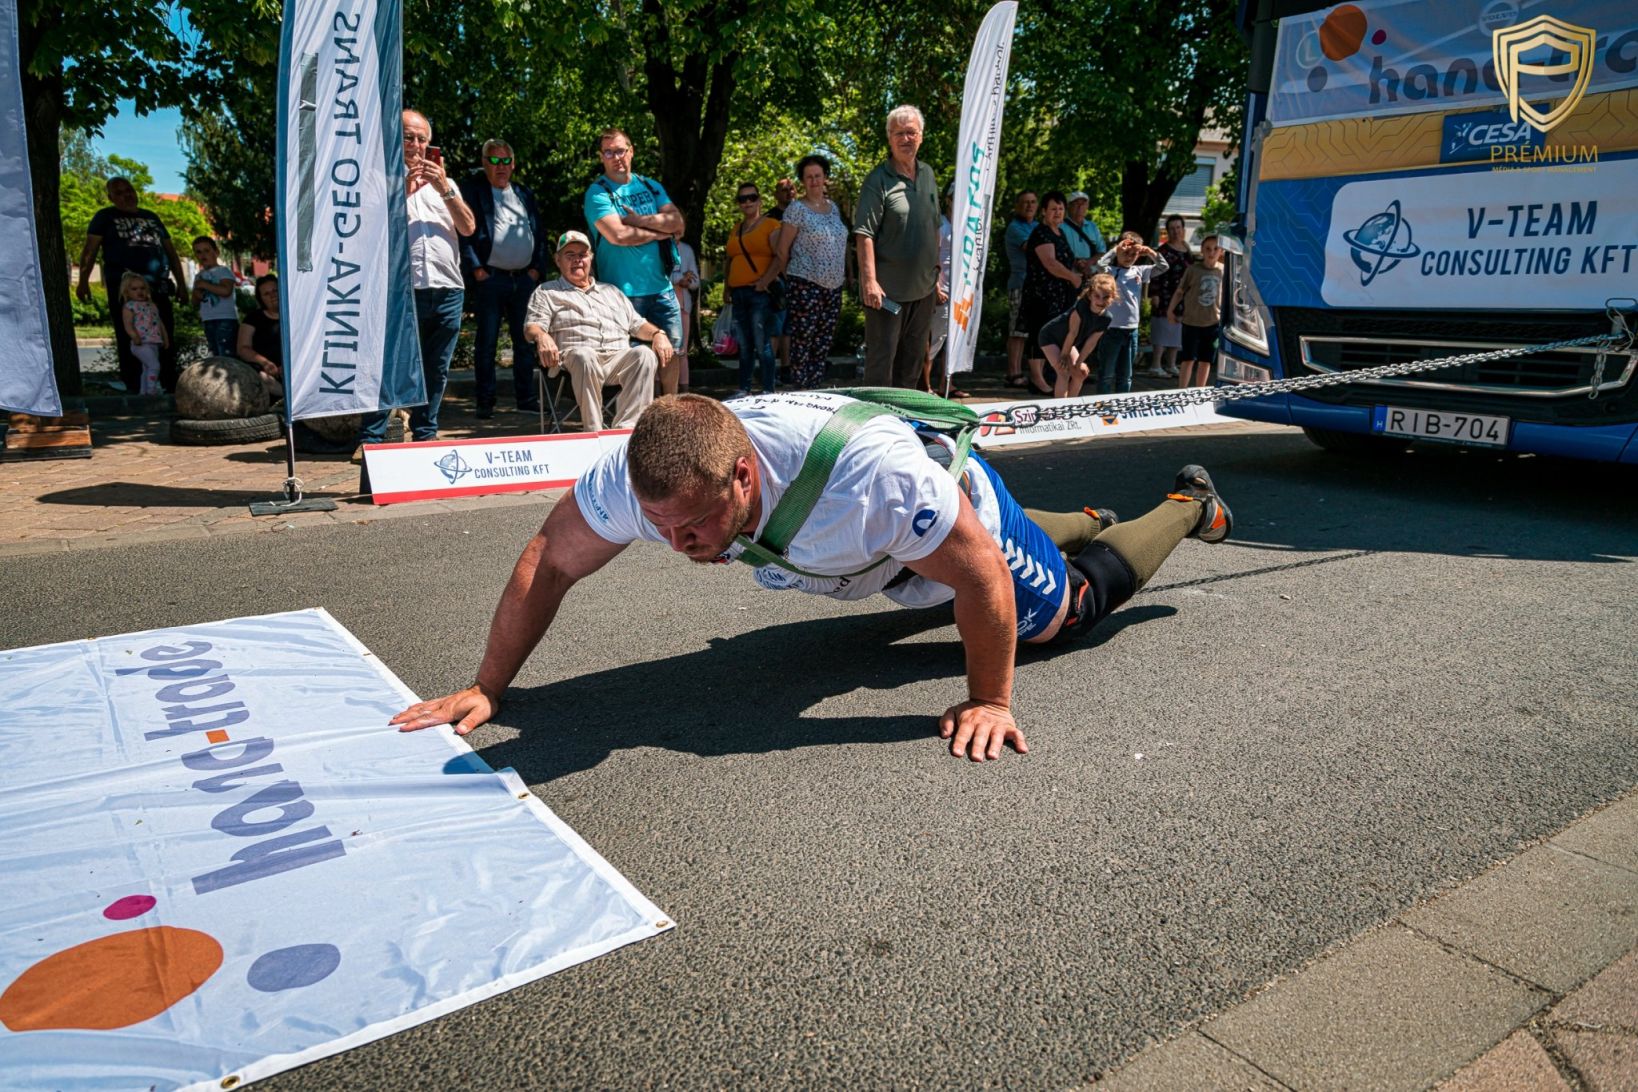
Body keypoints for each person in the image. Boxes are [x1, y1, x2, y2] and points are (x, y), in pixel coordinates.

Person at [389, 391, 1234, 766]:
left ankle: (1188, 506)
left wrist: (989, 699)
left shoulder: (870, 484)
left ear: (743, 477)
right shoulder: (643, 476)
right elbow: (549, 560)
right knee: (947, 555)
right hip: (887, 549)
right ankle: (1083, 518)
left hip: (947, 514)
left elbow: (978, 571)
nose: (678, 546)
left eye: (694, 527)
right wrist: (488, 686)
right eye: (659, 529)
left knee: (1060, 612)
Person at [359, 109, 476, 449]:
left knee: (436, 369)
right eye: (408, 137)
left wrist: (444, 188)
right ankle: (372, 441)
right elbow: (373, 227)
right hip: (400, 291)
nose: (416, 145)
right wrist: (408, 187)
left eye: (422, 139)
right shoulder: (376, 179)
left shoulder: (446, 183)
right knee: (390, 367)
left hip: (447, 287)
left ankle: (425, 437)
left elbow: (468, 227)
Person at [524, 230, 673, 432]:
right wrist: (542, 335)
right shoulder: (547, 292)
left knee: (644, 354)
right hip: (573, 364)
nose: (577, 260)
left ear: (591, 258)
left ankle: (627, 431)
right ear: (558, 260)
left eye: (582, 255)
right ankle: (594, 432)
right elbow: (531, 326)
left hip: (616, 360)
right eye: (570, 255)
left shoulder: (611, 291)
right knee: (584, 355)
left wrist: (658, 334)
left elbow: (637, 324)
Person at [584, 127, 685, 396]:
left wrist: (638, 220)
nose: (616, 157)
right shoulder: (598, 193)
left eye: (620, 150)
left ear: (631, 152)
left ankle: (670, 410)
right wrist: (660, 232)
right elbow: (618, 235)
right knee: (636, 361)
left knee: (672, 353)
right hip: (623, 294)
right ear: (601, 157)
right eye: (608, 152)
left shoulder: (651, 186)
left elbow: (677, 223)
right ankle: (640, 414)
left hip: (662, 289)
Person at [458, 138, 550, 418]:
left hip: (524, 279)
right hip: (491, 279)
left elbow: (540, 232)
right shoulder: (474, 192)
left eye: (506, 161)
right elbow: (464, 234)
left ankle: (526, 399)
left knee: (526, 341)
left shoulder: (523, 193)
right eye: (494, 160)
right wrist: (477, 270)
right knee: (486, 342)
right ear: (484, 163)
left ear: (513, 164)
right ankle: (485, 401)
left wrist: (536, 270)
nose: (501, 166)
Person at [854, 105, 941, 389]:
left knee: (913, 362)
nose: (906, 139)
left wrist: (936, 273)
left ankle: (904, 416)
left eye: (911, 132)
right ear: (889, 138)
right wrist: (869, 281)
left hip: (924, 290)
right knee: (882, 364)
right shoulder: (877, 180)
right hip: (886, 293)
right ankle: (876, 415)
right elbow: (864, 234)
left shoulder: (928, 174)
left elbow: (934, 226)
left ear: (921, 136)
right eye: (899, 133)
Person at [77, 177, 187, 394]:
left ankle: (168, 383)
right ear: (110, 197)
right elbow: (90, 251)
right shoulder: (105, 217)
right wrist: (83, 281)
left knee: (163, 332)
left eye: (129, 190)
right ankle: (135, 386)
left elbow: (171, 253)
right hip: (126, 287)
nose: (126, 195)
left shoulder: (151, 217)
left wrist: (182, 284)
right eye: (118, 192)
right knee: (130, 335)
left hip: (156, 286)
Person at [774, 155, 849, 390]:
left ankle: (815, 388)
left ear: (825, 177)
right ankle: (800, 389)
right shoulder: (796, 209)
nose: (814, 181)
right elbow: (782, 250)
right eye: (809, 177)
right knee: (803, 340)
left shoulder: (833, 208)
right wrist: (792, 279)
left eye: (818, 176)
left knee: (823, 340)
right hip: (805, 283)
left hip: (833, 286)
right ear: (803, 181)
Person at [724, 182, 783, 397]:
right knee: (744, 343)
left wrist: (765, 281)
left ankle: (768, 389)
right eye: (742, 199)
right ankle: (744, 388)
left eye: (752, 197)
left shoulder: (771, 225)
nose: (747, 202)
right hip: (738, 293)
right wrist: (726, 287)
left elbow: (780, 256)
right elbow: (729, 259)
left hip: (759, 294)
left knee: (761, 342)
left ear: (760, 200)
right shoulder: (736, 228)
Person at [1021, 191, 1080, 396]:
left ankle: (1051, 374)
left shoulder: (1060, 232)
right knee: (1039, 333)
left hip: (1060, 295)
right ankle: (1037, 379)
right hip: (1042, 294)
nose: (1057, 212)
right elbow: (1050, 263)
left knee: (1054, 334)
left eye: (1061, 209)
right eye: (1053, 209)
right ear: (1044, 211)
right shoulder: (1041, 233)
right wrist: (1073, 277)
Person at [1094, 232, 1168, 395]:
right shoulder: (1111, 271)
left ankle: (1122, 404)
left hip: (1131, 330)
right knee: (1106, 374)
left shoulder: (1140, 271)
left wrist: (1150, 252)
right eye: (1125, 252)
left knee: (1126, 375)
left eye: (1133, 254)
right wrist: (1115, 250)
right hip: (1111, 329)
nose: (1129, 257)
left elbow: (1163, 267)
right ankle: (1102, 405)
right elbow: (1099, 265)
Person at [1038, 272, 1116, 400]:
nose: (1101, 301)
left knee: (1080, 373)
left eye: (1106, 297)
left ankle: (1072, 405)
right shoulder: (1081, 306)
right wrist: (1064, 355)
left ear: (1112, 297)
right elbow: (1072, 333)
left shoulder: (1106, 318)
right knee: (1063, 372)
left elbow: (1091, 343)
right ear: (1090, 295)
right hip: (1050, 337)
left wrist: (1079, 363)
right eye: (1097, 296)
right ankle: (1061, 407)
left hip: (1068, 342)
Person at [1167, 234, 1225, 389]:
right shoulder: (1193, 269)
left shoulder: (1224, 271)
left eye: (1215, 249)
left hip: (1213, 322)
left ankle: (1200, 391)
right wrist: (1170, 310)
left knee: (1206, 360)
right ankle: (1182, 391)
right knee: (1188, 358)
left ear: (1221, 251)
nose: (1211, 252)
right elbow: (1180, 291)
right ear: (1202, 250)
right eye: (1208, 249)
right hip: (1191, 321)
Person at [1144, 215, 1194, 378]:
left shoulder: (1187, 249)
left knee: (1177, 331)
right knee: (1162, 329)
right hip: (1164, 294)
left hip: (1182, 296)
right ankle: (1156, 365)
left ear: (1183, 229)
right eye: (1172, 228)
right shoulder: (1162, 251)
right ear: (1167, 231)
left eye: (1178, 227)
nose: (1175, 231)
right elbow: (1154, 273)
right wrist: (1154, 294)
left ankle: (1171, 364)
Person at [1002, 191, 1038, 389]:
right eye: (1025, 202)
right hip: (1020, 284)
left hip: (1034, 285)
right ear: (1017, 206)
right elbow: (1035, 249)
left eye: (1033, 202)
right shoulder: (1015, 228)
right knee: (1017, 331)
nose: (1029, 206)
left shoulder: (1037, 226)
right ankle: (1013, 373)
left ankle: (1026, 372)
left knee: (1027, 332)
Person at [118, 273, 167, 396]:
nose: (139, 291)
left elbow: (159, 322)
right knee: (154, 365)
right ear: (127, 292)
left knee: (146, 368)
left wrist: (165, 338)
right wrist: (134, 336)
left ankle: (143, 392)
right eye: (134, 289)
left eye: (142, 288)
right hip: (141, 343)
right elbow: (128, 324)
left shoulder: (152, 305)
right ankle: (152, 390)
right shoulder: (129, 306)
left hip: (154, 342)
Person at [190, 237, 240, 357]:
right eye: (199, 252)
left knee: (226, 354)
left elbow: (226, 291)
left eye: (207, 251)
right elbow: (195, 302)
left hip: (225, 319)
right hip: (208, 319)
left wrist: (205, 285)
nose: (203, 255)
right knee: (215, 353)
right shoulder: (199, 276)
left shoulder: (223, 271)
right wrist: (197, 293)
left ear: (216, 252)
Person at [236, 274, 284, 400]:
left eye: (275, 290)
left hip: (292, 369)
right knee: (257, 375)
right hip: (265, 371)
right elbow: (242, 348)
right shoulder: (253, 318)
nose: (272, 295)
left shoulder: (296, 314)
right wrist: (265, 363)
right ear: (261, 299)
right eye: (266, 294)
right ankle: (286, 397)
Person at [670, 237, 700, 393]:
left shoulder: (687, 249)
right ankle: (661, 391)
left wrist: (687, 281)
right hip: (662, 305)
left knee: (682, 351)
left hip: (683, 307)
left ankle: (684, 391)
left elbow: (695, 282)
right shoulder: (657, 246)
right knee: (662, 350)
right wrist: (680, 278)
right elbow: (657, 276)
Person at [1063, 191, 1106, 274]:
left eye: (1083, 204)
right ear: (1068, 206)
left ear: (1087, 207)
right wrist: (1077, 263)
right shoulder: (1060, 226)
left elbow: (1102, 251)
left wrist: (1088, 263)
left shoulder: (1093, 227)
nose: (1080, 207)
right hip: (1067, 273)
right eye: (1076, 204)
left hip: (1091, 273)